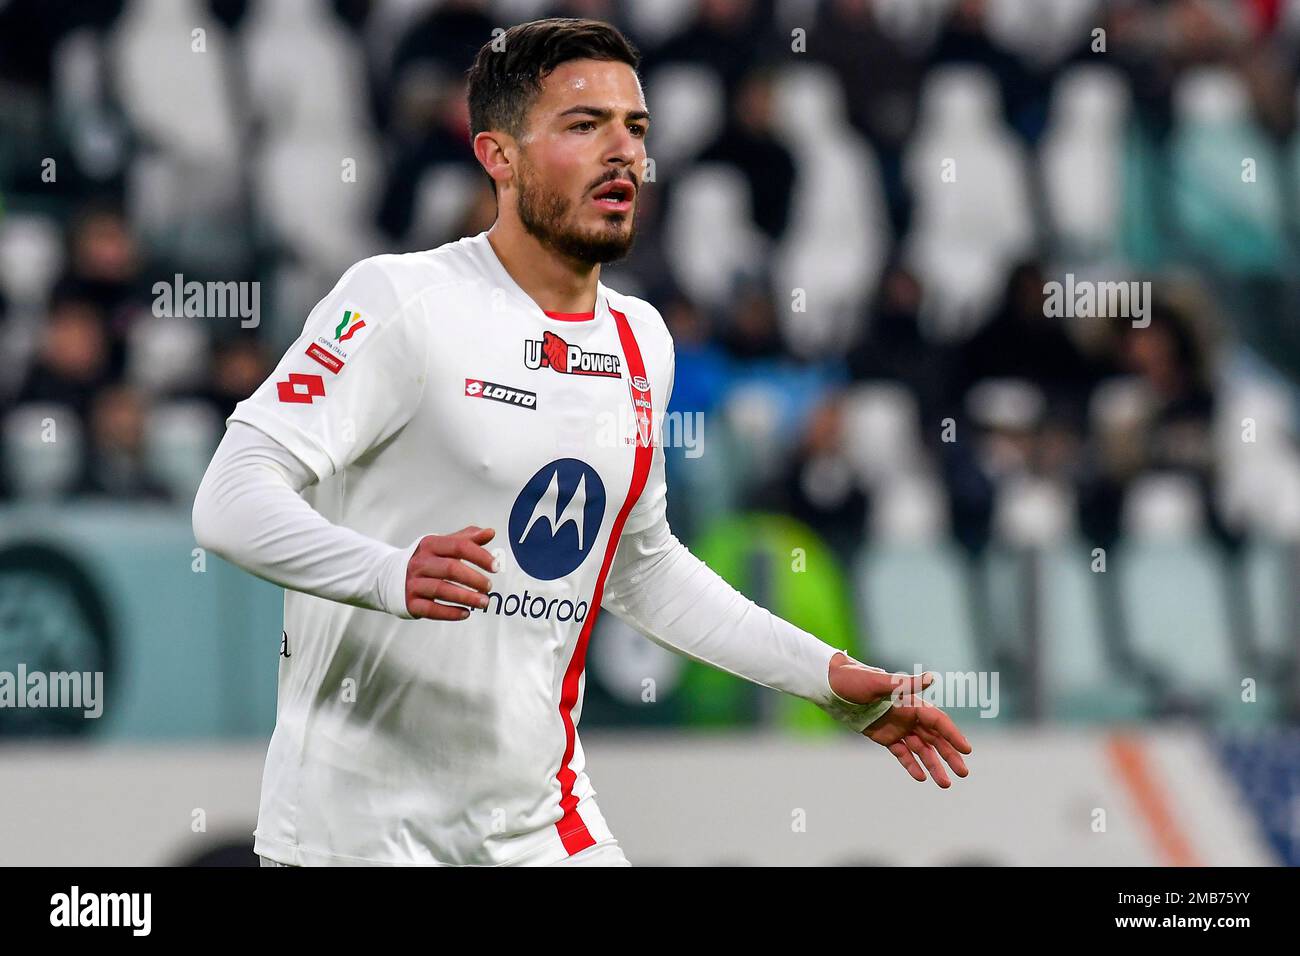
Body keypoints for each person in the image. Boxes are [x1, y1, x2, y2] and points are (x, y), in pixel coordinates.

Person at [191, 17, 971, 868]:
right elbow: (229, 500)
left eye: (634, 128)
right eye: (583, 125)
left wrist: (823, 675)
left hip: (540, 830)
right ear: (498, 156)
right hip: (356, 840)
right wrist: (385, 572)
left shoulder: (642, 340)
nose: (622, 153)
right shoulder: (398, 301)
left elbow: (640, 567)